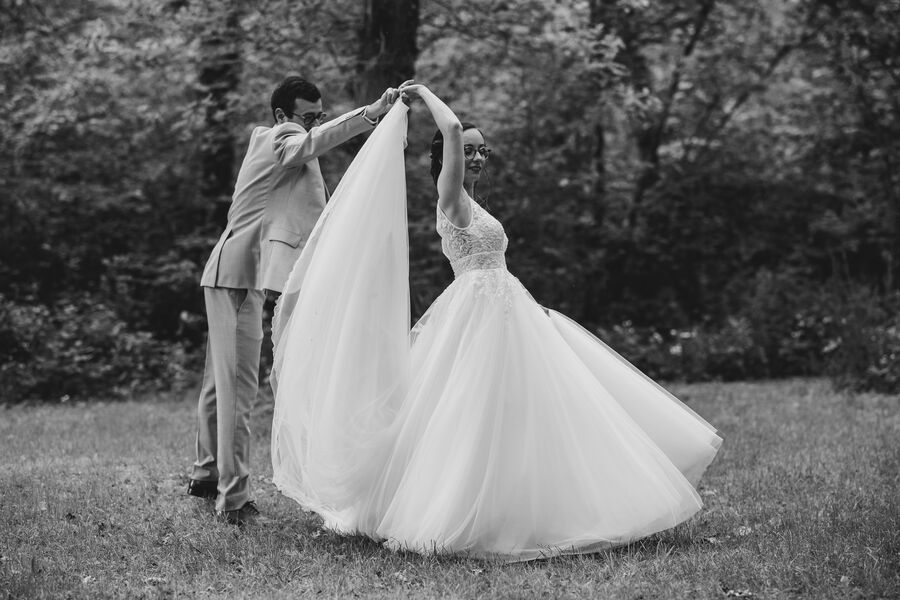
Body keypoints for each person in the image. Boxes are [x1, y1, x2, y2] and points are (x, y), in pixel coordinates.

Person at [270, 85, 722, 560]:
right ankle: (462, 507)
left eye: (482, 149)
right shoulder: (450, 198)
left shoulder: (473, 201)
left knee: (526, 406)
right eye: (467, 151)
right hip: (475, 312)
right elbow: (446, 128)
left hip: (507, 307)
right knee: (470, 407)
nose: (478, 156)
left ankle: (533, 496)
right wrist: (423, 93)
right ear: (448, 157)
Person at [188, 75, 406, 525]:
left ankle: (205, 475)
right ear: (282, 116)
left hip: (230, 270)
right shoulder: (283, 137)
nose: (313, 125)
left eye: (318, 116)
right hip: (239, 273)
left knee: (218, 385)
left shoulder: (272, 142)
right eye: (307, 117)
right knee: (238, 392)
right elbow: (304, 147)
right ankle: (232, 499)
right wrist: (368, 115)